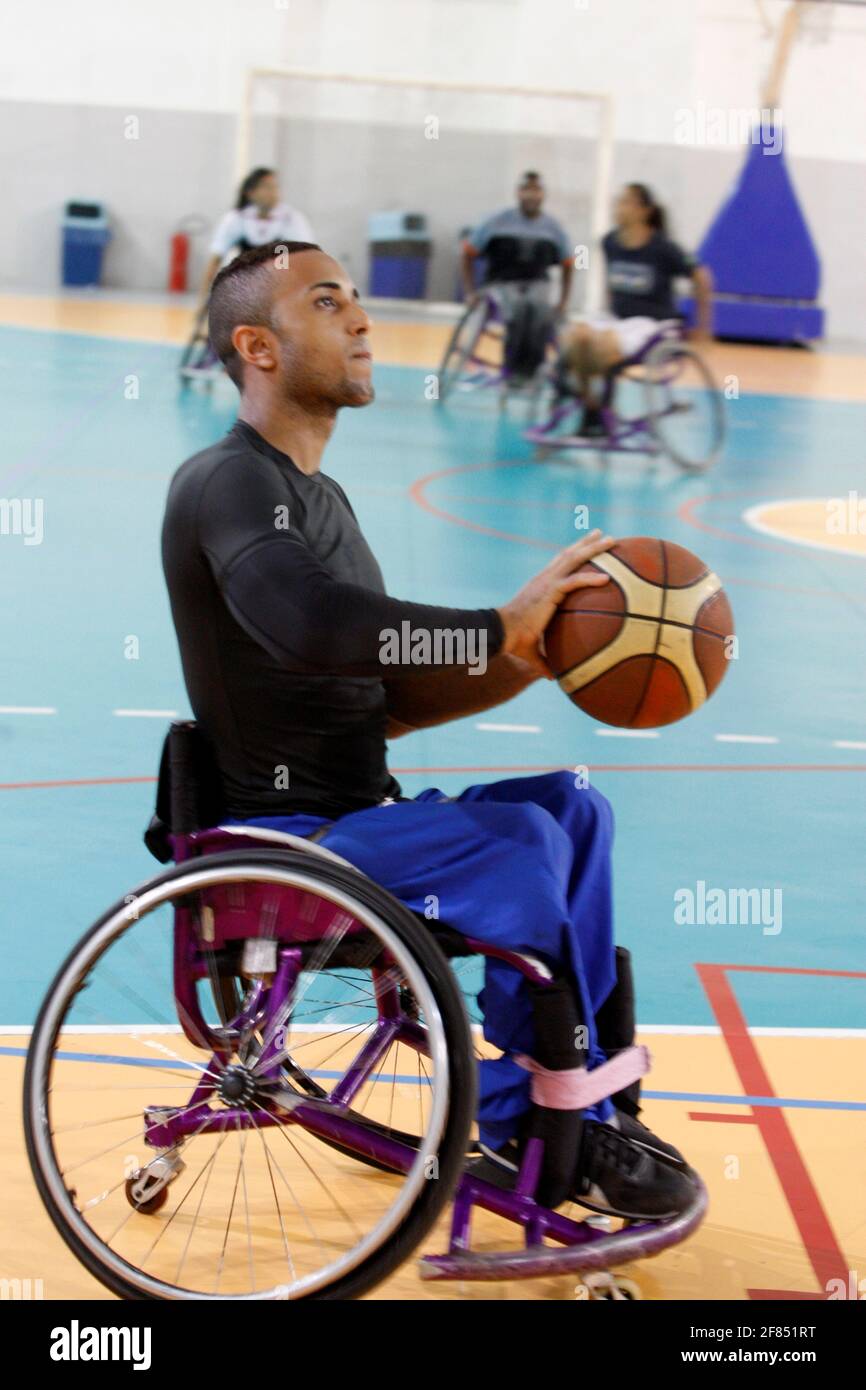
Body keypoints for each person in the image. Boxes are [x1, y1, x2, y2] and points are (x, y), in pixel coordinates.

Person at [161, 239, 695, 1219]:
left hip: (357, 826)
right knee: (519, 842)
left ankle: (598, 1101)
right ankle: (523, 1111)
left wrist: (520, 660)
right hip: (283, 843)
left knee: (573, 807)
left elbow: (383, 702)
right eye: (329, 303)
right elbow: (312, 623)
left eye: (356, 299)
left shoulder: (322, 500)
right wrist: (495, 621)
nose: (363, 319)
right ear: (258, 346)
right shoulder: (226, 483)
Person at [559, 182, 713, 434]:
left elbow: (702, 276)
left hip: (653, 324)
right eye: (618, 201)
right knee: (577, 338)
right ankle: (591, 406)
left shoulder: (664, 248)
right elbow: (611, 286)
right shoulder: (609, 242)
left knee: (602, 345)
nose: (619, 207)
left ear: (644, 211)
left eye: (626, 202)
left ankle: (597, 408)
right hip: (619, 319)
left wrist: (704, 328)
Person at [461, 171, 573, 383]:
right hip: (500, 282)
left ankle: (532, 369)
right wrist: (470, 292)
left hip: (538, 283)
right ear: (518, 193)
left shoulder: (554, 228)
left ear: (543, 195)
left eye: (536, 190)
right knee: (517, 308)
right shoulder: (496, 221)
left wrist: (563, 302)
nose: (531, 195)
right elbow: (467, 253)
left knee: (538, 309)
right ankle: (512, 368)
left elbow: (569, 263)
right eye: (526, 190)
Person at [196, 168, 314, 311]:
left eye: (275, 187)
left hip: (280, 286)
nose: (273, 192)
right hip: (243, 286)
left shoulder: (291, 219)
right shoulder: (237, 218)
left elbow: (308, 261)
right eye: (266, 187)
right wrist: (203, 299)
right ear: (251, 193)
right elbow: (215, 259)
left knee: (282, 251)